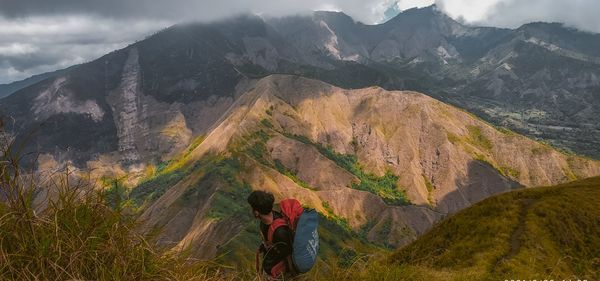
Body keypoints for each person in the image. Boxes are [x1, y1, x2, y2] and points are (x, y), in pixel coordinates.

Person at [247, 190, 295, 279]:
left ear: (256, 212)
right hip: (271, 268)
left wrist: (291, 276)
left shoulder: (280, 232)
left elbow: (288, 255)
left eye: (252, 208)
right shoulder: (266, 221)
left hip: (278, 274)